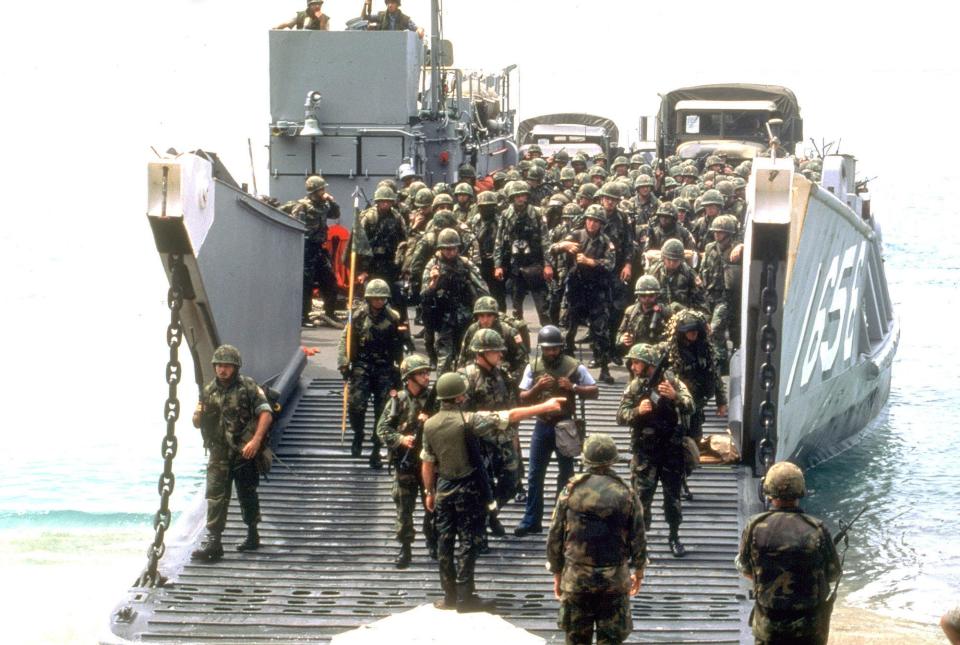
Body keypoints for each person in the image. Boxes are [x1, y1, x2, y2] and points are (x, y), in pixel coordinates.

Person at [421, 372, 564, 611]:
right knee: (468, 541)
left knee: (444, 541)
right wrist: (544, 406)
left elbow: (427, 462)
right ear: (458, 397)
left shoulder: (429, 424)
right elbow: (510, 416)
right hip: (469, 487)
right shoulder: (470, 420)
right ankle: (466, 597)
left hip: (444, 486)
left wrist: (429, 491)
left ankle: (448, 596)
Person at [547, 433, 646, 645]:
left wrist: (557, 572)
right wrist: (639, 571)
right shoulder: (627, 493)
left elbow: (555, 535)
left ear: (585, 459)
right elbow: (638, 537)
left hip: (576, 579)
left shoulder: (570, 490)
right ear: (613, 460)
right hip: (614, 580)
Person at [736, 461, 841, 645]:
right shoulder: (816, 528)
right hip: (808, 629)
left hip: (768, 628)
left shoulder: (754, 526)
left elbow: (745, 568)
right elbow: (833, 574)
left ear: (768, 490)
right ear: (800, 491)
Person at [191, 345, 273, 562]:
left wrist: (256, 441)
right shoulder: (209, 390)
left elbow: (266, 413)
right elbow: (198, 421)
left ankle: (252, 532)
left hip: (243, 451)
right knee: (215, 496)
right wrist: (198, 415)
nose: (222, 370)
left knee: (247, 493)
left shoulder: (248, 386)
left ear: (235, 367)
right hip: (219, 451)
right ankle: (214, 542)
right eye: (219, 365)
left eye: (227, 366)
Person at [515, 325, 598, 537]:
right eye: (547, 349)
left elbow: (594, 390)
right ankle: (531, 519)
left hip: (565, 425)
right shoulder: (533, 366)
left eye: (555, 348)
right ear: (541, 348)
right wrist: (537, 388)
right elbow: (523, 396)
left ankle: (562, 519)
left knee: (566, 474)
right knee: (535, 474)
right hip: (542, 424)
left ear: (561, 348)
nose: (551, 352)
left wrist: (573, 388)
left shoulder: (574, 366)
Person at [616, 343, 694, 557]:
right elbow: (620, 415)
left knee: (673, 498)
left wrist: (674, 397)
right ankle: (639, 543)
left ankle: (674, 536)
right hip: (645, 453)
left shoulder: (672, 382)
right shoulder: (634, 387)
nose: (633, 366)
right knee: (641, 500)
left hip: (671, 450)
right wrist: (637, 411)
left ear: (649, 364)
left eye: (637, 362)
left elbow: (690, 405)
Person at [459, 329, 521, 544]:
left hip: (502, 438)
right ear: (481, 353)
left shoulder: (502, 374)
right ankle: (480, 532)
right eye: (495, 352)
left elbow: (511, 407)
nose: (500, 355)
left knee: (512, 481)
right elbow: (462, 416)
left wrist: (514, 436)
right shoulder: (465, 377)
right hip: (478, 443)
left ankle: (491, 514)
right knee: (479, 488)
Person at [337, 279, 406, 468]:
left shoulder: (393, 317)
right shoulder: (358, 315)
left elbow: (399, 344)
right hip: (362, 365)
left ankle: (376, 449)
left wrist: (401, 369)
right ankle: (358, 433)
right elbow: (346, 338)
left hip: (384, 368)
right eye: (375, 298)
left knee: (382, 411)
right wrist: (344, 363)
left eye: (382, 298)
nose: (379, 301)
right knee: (356, 405)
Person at [377, 354, 437, 568]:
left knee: (433, 505)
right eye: (421, 373)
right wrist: (401, 439)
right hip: (405, 462)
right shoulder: (398, 401)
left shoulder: (434, 401)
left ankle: (432, 541)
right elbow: (382, 430)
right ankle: (406, 547)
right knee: (404, 507)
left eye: (427, 372)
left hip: (428, 463)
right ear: (409, 377)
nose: (426, 377)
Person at [553, 204, 617, 384]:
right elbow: (553, 249)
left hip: (596, 291)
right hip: (575, 289)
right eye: (589, 220)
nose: (592, 224)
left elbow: (611, 264)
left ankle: (604, 368)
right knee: (567, 330)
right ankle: (567, 368)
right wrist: (563, 246)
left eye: (596, 221)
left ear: (601, 224)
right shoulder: (575, 235)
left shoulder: (605, 241)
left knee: (601, 331)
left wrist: (591, 262)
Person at [421, 229, 490, 374]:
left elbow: (482, 287)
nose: (450, 252)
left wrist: (484, 308)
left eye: (453, 248)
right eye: (446, 249)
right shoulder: (432, 266)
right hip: (443, 317)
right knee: (445, 358)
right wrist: (434, 282)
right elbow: (424, 295)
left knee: (467, 356)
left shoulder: (465, 264)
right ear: (440, 249)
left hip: (465, 316)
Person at [494, 180, 554, 326]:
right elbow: (499, 242)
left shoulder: (537, 213)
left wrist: (548, 264)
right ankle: (519, 342)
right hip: (516, 266)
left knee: (543, 307)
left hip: (535, 264)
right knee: (516, 309)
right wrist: (498, 265)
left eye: (523, 195)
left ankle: (551, 340)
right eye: (517, 196)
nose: (520, 198)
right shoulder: (506, 215)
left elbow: (545, 241)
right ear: (512, 198)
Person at [292, 176, 341, 327]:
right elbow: (295, 225)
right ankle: (303, 317)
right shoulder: (303, 206)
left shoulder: (325, 205)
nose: (324, 191)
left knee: (330, 280)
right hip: (306, 248)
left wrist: (332, 200)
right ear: (315, 190)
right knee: (306, 283)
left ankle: (330, 313)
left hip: (319, 248)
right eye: (322, 189)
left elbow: (335, 214)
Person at [356, 185, 409, 324]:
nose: (385, 204)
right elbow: (359, 245)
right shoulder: (368, 217)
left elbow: (404, 241)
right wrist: (362, 270)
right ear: (377, 202)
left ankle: (399, 327)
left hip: (390, 263)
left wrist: (403, 265)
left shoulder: (397, 217)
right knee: (371, 296)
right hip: (372, 264)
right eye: (382, 201)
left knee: (396, 296)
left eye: (388, 201)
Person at [361, 0, 425, 38]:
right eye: (388, 2)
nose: (390, 5)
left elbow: (416, 28)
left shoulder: (403, 18)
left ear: (397, 4)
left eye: (392, 2)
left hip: (397, 45)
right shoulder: (381, 16)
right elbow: (364, 17)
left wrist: (420, 29)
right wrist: (365, 5)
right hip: (383, 44)